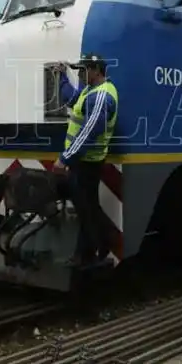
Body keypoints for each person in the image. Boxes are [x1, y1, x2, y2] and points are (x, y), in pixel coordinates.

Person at [52, 53, 118, 266]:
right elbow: (70, 98)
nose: (82, 73)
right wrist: (62, 76)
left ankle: (92, 253)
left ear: (96, 70)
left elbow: (90, 132)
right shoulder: (89, 91)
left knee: (86, 208)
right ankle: (95, 248)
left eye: (85, 69)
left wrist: (65, 159)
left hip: (87, 162)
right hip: (82, 162)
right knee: (87, 206)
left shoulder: (102, 96)